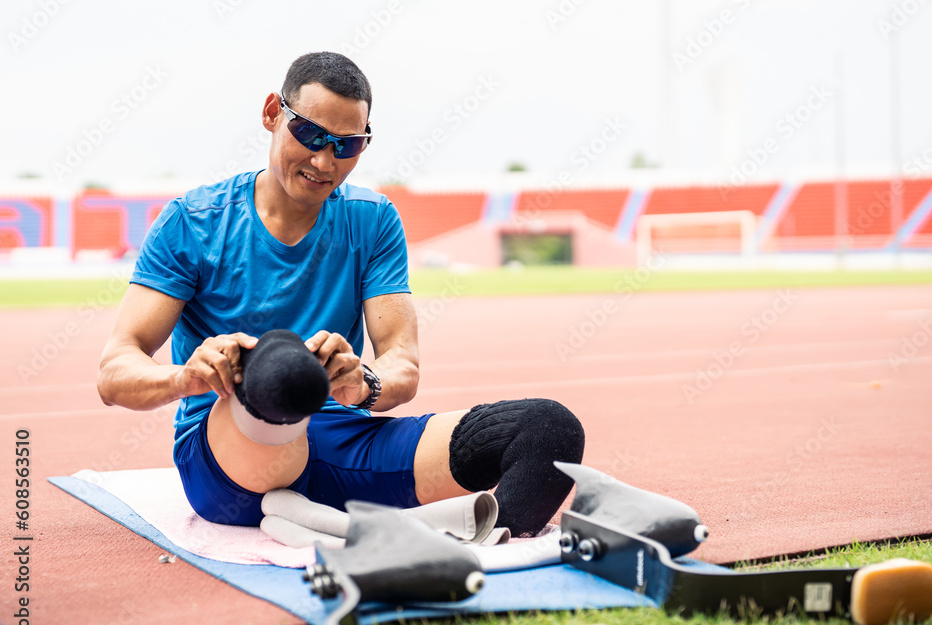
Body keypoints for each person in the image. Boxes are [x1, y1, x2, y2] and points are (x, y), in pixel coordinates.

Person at [97, 51, 585, 537]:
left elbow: (402, 364)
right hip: (230, 459)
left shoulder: (372, 219)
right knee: (279, 369)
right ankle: (306, 444)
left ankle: (493, 546)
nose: (323, 160)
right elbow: (116, 370)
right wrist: (187, 378)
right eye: (309, 134)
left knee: (548, 429)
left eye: (346, 145)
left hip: (341, 440)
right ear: (272, 114)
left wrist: (364, 383)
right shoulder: (194, 221)